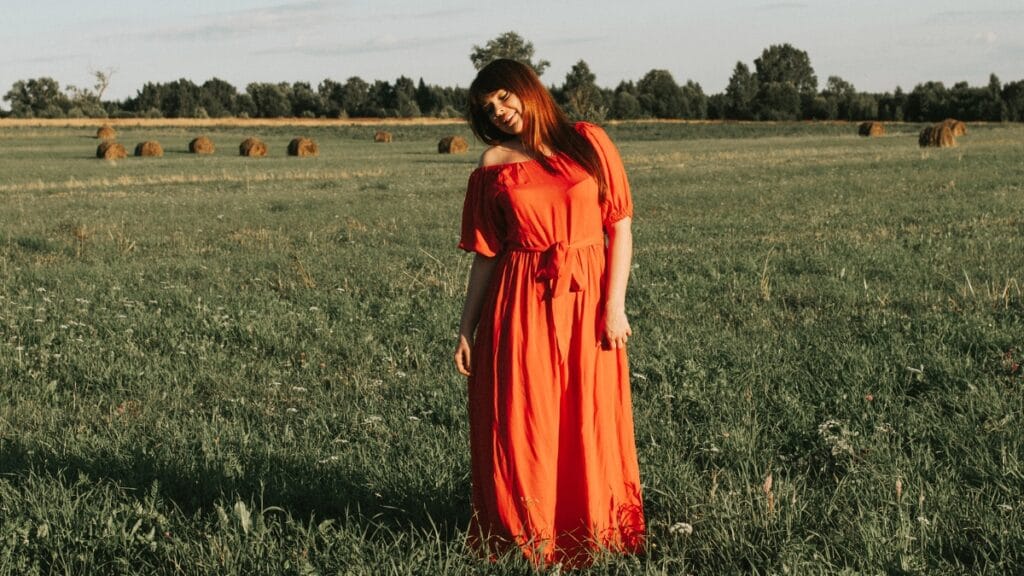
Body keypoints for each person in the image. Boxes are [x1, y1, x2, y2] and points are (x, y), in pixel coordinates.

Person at [454, 58, 645, 568]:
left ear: (526, 88)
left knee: (588, 413)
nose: (498, 111)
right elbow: (487, 253)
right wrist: (466, 327)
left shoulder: (588, 140)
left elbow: (619, 225)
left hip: (588, 302)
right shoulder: (493, 162)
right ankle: (528, 536)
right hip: (520, 304)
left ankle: (594, 531)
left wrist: (614, 305)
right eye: (487, 107)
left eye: (503, 97)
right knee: (525, 417)